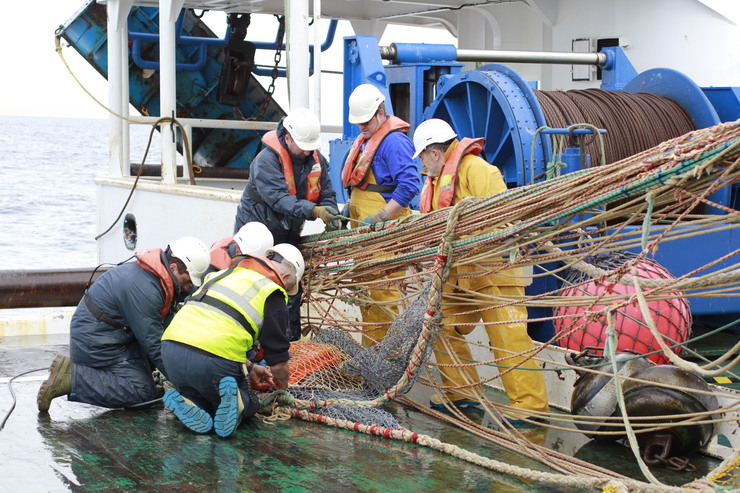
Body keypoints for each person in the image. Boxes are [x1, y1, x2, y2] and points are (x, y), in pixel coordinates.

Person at [412, 118, 549, 422]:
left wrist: (467, 243)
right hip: (459, 276)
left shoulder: (479, 171)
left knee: (508, 335)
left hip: (492, 271)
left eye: (422, 156)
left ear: (435, 153)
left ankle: (530, 405)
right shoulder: (435, 182)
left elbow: (505, 219)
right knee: (440, 324)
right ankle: (461, 392)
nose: (421, 163)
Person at [37, 236, 211, 413]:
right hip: (95, 344)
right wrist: (188, 390)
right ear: (173, 267)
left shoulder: (156, 278)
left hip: (112, 334)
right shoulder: (145, 289)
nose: (189, 287)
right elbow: (156, 345)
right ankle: (71, 378)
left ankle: (139, 378)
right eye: (188, 280)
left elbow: (168, 331)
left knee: (149, 380)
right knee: (143, 392)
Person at [159, 243, 305, 438]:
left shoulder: (222, 274)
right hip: (213, 361)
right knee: (249, 403)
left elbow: (212, 327)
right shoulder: (273, 292)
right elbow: (277, 361)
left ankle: (187, 401)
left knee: (202, 396)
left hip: (170, 352)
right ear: (286, 278)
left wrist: (251, 368)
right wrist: (282, 387)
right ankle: (238, 402)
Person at [233, 107, 339, 341]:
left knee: (291, 283)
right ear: (287, 137)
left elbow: (326, 191)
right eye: (302, 144)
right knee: (257, 284)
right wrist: (315, 211)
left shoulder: (314, 158)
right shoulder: (266, 161)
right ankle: (255, 344)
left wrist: (331, 211)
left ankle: (288, 342)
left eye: (311, 146)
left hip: (289, 230)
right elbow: (279, 199)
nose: (307, 150)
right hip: (259, 228)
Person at [341, 83, 420, 345]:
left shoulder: (394, 142)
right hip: (366, 239)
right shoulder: (365, 141)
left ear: (380, 113)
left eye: (365, 121)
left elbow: (409, 185)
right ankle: (370, 365)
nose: (361, 127)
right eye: (358, 122)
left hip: (386, 239)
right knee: (368, 301)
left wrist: (382, 216)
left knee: (384, 303)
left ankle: (386, 367)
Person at [208, 221, 274, 273]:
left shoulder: (226, 247)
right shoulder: (212, 270)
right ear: (238, 252)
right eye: (252, 260)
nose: (255, 264)